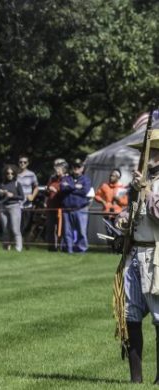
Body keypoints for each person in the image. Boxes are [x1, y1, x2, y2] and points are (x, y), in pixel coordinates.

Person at [114, 135, 159, 384]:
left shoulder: (150, 184)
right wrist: (122, 217)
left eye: (148, 152)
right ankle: (136, 379)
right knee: (130, 315)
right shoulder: (139, 183)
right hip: (133, 255)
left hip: (156, 256)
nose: (143, 157)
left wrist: (147, 190)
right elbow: (134, 211)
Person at [60, 158, 92, 253]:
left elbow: (84, 191)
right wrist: (76, 186)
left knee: (81, 231)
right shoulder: (66, 178)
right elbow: (62, 188)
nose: (76, 168)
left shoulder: (86, 179)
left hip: (80, 209)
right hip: (67, 209)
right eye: (74, 166)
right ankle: (69, 249)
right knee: (67, 231)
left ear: (82, 168)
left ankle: (81, 250)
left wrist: (69, 187)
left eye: (78, 167)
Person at [0, 165, 24, 251]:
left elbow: (22, 197)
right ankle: (5, 248)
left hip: (14, 207)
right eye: (8, 173)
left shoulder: (17, 184)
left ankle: (18, 248)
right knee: (5, 229)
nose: (10, 175)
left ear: (14, 174)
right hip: (3, 207)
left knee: (15, 228)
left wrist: (12, 195)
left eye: (12, 173)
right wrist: (2, 194)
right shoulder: (2, 184)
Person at [44, 159, 68, 250]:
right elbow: (47, 192)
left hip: (62, 207)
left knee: (62, 229)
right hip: (51, 207)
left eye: (58, 167)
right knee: (50, 228)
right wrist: (47, 190)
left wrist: (57, 191)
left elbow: (67, 192)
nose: (56, 169)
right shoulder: (52, 178)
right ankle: (51, 248)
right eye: (55, 167)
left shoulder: (67, 179)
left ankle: (62, 247)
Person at [16, 155, 39, 239]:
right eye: (21, 162)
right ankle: (17, 243)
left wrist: (32, 196)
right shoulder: (14, 174)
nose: (22, 164)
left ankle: (21, 243)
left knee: (25, 226)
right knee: (16, 225)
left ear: (27, 163)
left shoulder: (31, 174)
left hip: (27, 205)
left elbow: (36, 187)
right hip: (16, 204)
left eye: (24, 162)